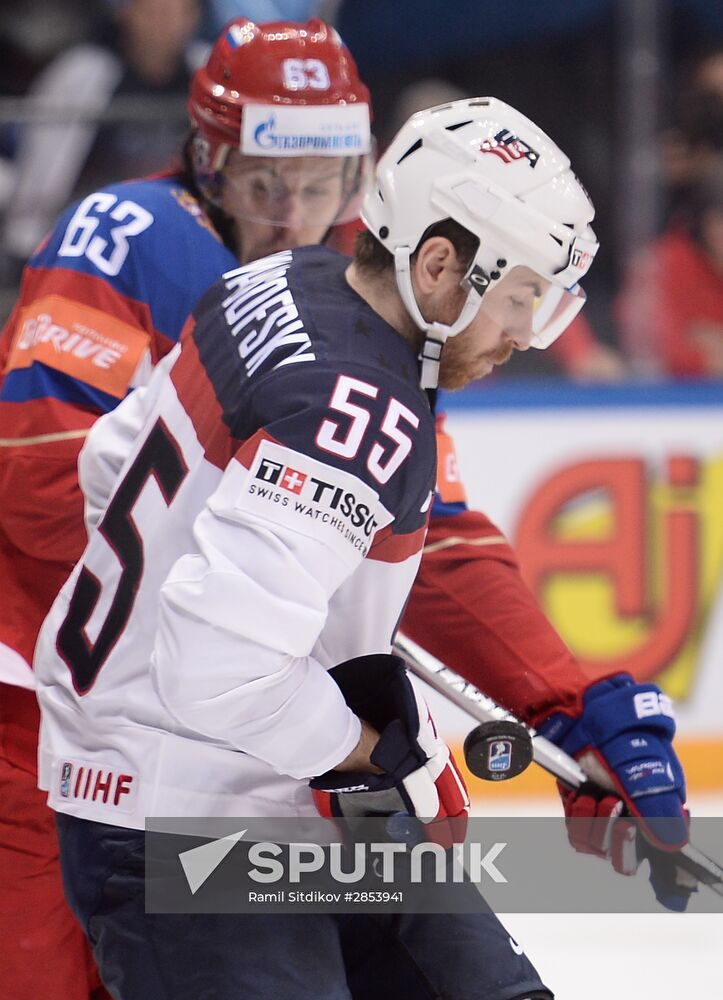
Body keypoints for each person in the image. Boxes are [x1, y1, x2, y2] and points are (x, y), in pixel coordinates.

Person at [33, 95, 599, 1000]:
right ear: (441, 263)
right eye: (521, 295)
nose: (526, 333)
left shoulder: (283, 280)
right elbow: (220, 673)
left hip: (263, 786)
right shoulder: (357, 405)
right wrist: (374, 753)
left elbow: (110, 463)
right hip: (187, 824)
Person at [0, 17, 372, 1000]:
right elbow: (39, 484)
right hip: (37, 706)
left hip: (187, 736)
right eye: (265, 182)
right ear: (209, 159)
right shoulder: (125, 237)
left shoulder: (350, 302)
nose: (295, 214)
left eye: (325, 182)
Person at [0, 0, 205, 282]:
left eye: (176, 12)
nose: (164, 24)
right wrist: (23, 242)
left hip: (181, 239)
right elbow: (41, 166)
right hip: (89, 240)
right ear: (126, 13)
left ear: (193, 17)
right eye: (152, 12)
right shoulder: (81, 72)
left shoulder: (208, 73)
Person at [617, 152, 723, 377]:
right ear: (707, 224)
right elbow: (647, 346)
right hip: (676, 403)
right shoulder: (662, 264)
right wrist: (700, 357)